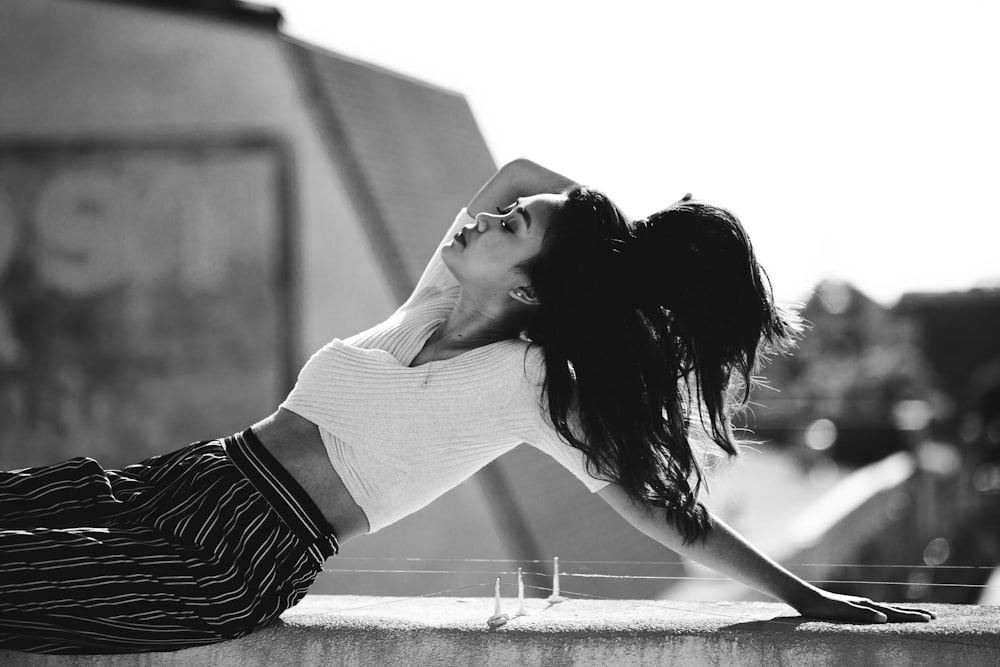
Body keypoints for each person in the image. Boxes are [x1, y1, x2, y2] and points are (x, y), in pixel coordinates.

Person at [0, 159, 933, 654]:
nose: (485, 215)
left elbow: (663, 511)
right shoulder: (432, 303)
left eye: (513, 224)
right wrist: (609, 244)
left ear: (531, 290)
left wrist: (804, 595)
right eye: (505, 210)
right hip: (180, 480)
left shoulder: (526, 387)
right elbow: (518, 163)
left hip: (237, 552)